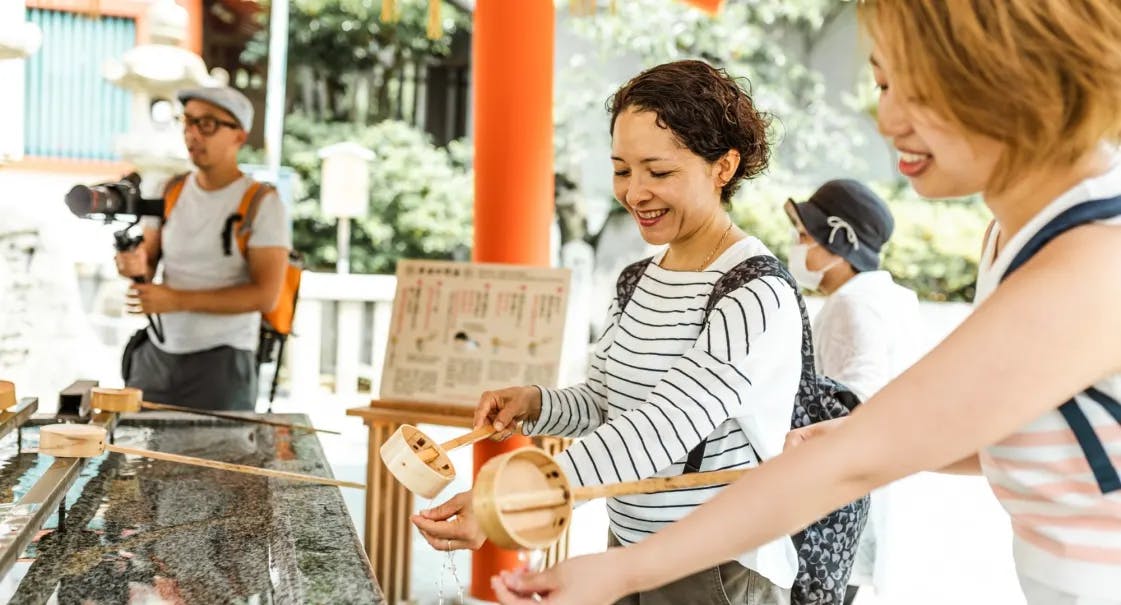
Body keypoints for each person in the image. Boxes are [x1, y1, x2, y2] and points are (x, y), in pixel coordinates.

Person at [493, 2, 1121, 604]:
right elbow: (1025, 435)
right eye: (882, 84)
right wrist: (859, 438)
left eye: (920, 89)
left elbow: (845, 467)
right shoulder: (1012, 235)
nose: (888, 118)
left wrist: (601, 556)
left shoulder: (1091, 260)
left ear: (1017, 77)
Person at [412, 59, 804, 604]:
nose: (635, 192)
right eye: (622, 170)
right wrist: (535, 403)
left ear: (724, 166)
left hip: (716, 564)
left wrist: (513, 500)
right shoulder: (637, 279)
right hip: (631, 547)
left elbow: (665, 424)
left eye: (658, 172)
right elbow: (606, 402)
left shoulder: (754, 292)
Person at [115, 86, 290, 411]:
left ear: (239, 134)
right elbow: (148, 261)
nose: (193, 133)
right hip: (157, 352)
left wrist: (175, 300)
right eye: (188, 122)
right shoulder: (170, 190)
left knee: (218, 459)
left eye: (207, 124)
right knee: (144, 459)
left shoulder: (262, 203)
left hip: (223, 360)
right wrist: (134, 266)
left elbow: (266, 295)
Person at [785, 179, 920, 602]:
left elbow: (855, 402)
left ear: (840, 241)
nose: (796, 245)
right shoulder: (892, 298)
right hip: (864, 502)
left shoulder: (853, 305)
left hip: (833, 518)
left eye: (805, 236)